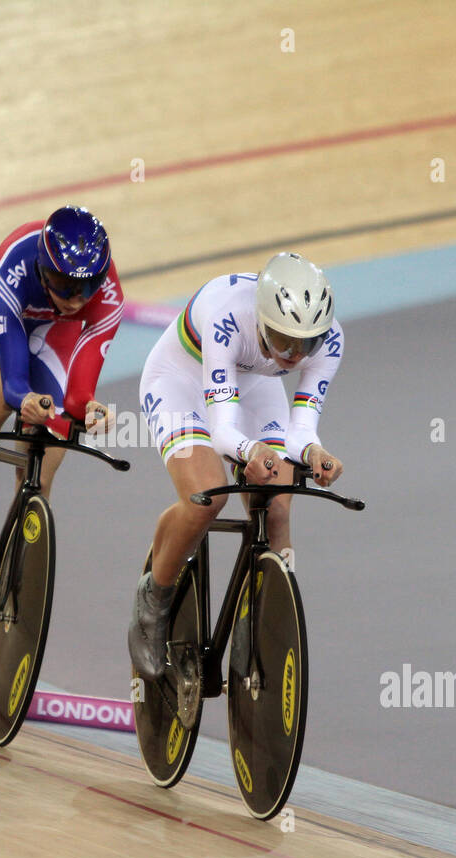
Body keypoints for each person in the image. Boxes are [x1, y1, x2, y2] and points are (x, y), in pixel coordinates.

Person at [128, 253, 345, 687]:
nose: (295, 355)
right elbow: (224, 431)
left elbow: (301, 430)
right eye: (285, 341)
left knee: (278, 506)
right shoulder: (228, 317)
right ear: (262, 320)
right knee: (208, 495)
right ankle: (154, 600)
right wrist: (252, 450)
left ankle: (263, 622)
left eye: (306, 344)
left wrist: (315, 452)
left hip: (252, 386)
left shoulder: (331, 340)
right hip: (181, 382)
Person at [0, 205, 121, 582]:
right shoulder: (17, 259)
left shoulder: (109, 294)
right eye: (66, 285)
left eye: (87, 288)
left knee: (58, 418)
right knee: (1, 390)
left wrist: (91, 408)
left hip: (50, 327)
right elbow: (16, 380)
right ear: (42, 268)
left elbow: (81, 392)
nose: (77, 300)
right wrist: (25, 398)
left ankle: (25, 527)